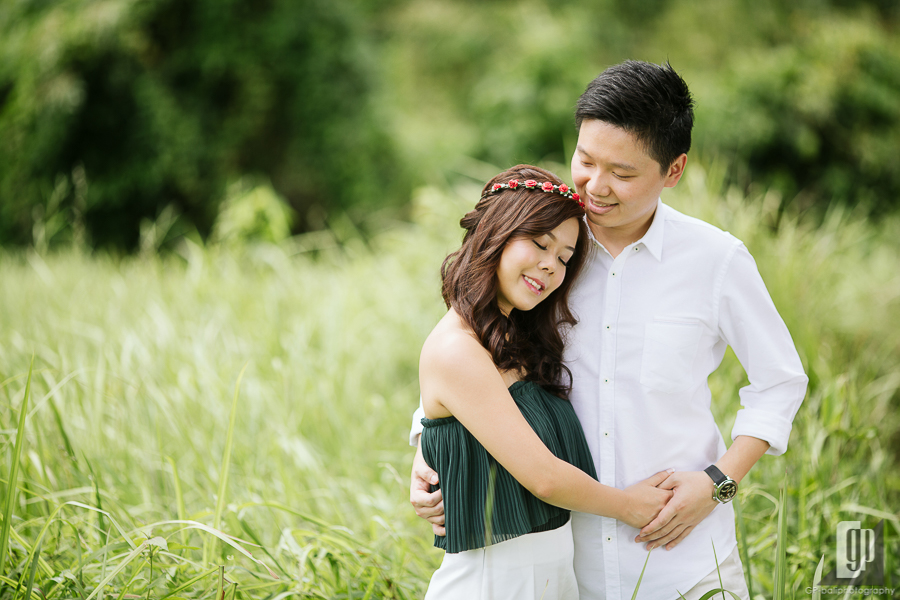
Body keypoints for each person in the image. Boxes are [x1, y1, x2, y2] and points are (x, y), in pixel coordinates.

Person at [410, 61, 808, 600]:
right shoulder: (546, 254)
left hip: (685, 557)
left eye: (621, 173)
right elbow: (479, 351)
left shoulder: (715, 260)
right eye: (585, 160)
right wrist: (430, 445)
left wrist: (717, 483)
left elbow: (780, 381)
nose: (596, 187)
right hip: (569, 565)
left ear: (674, 170)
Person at [416, 164, 674, 599]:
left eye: (564, 258)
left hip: (550, 580)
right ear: (497, 232)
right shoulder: (455, 348)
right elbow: (545, 479)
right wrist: (630, 506)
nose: (550, 267)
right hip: (492, 585)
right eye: (539, 243)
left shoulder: (514, 338)